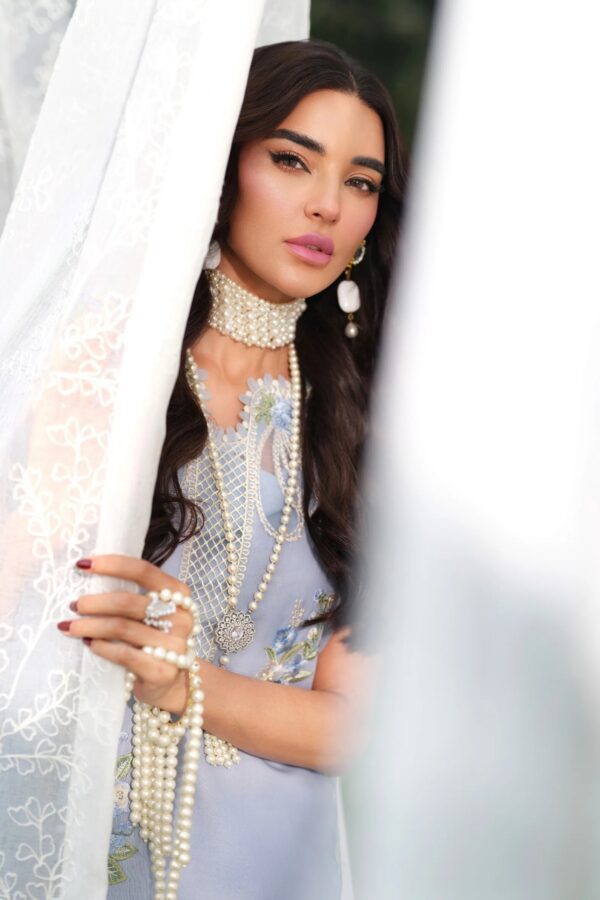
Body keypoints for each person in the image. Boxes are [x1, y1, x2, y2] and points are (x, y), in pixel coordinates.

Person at [57, 38, 405, 899]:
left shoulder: (365, 416)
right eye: (292, 160)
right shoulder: (106, 370)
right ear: (221, 166)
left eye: (360, 182)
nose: (327, 205)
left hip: (276, 858)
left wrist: (184, 682)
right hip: (91, 830)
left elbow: (356, 727)